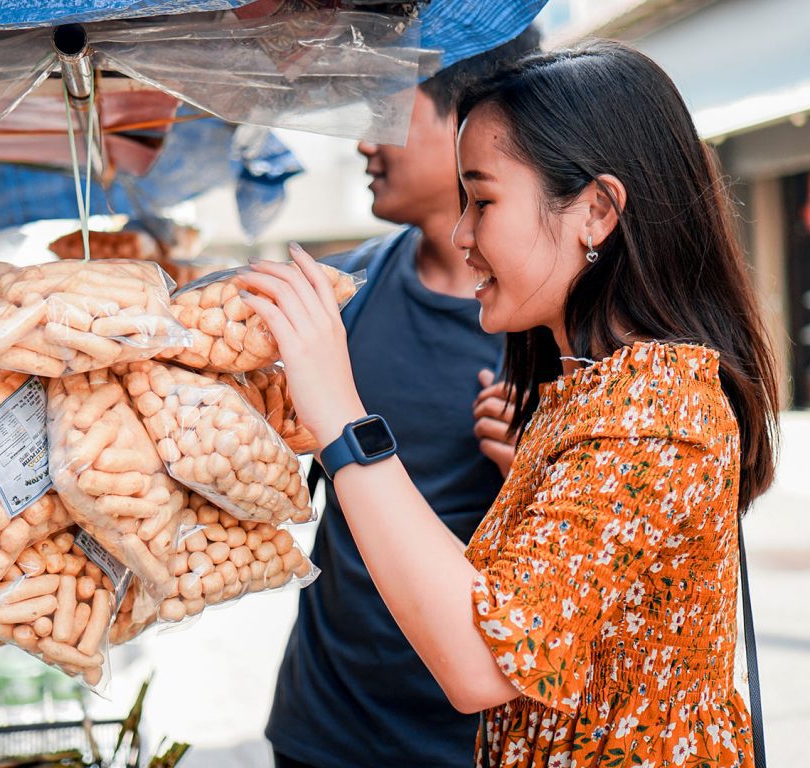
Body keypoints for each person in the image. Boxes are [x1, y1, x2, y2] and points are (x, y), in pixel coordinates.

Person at [243, 40, 778, 767]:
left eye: (484, 200)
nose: (463, 234)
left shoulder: (654, 412)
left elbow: (481, 661)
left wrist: (341, 415)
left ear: (595, 210)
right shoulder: (588, 388)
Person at [264, 28, 539, 768]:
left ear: (475, 123)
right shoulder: (338, 299)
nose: (363, 143)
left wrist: (540, 471)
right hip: (324, 728)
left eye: (386, 111)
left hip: (477, 740)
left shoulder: (562, 336)